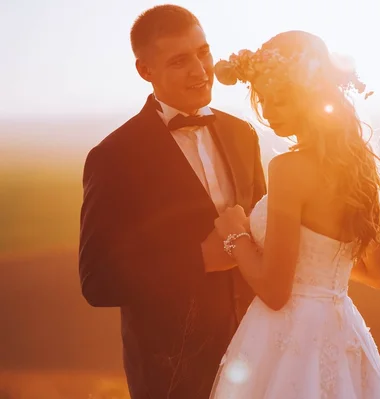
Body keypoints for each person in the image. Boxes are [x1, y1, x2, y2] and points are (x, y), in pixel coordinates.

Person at [77, 5, 266, 398]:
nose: (200, 69)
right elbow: (98, 281)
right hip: (172, 370)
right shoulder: (113, 156)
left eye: (203, 52)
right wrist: (201, 258)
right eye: (180, 61)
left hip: (256, 351)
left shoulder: (243, 134)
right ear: (145, 71)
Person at [209, 30, 380, 398]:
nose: (268, 111)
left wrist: (236, 235)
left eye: (280, 99)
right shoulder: (359, 169)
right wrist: (320, 269)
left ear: (310, 95)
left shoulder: (287, 168)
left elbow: (274, 292)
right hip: (341, 328)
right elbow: (376, 274)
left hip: (288, 336)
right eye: (263, 98)